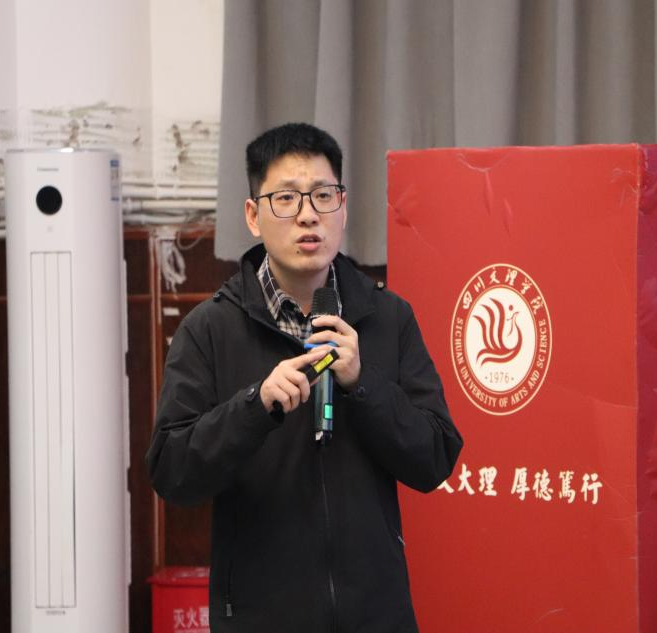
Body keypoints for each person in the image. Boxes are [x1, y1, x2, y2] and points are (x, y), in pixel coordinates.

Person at [146, 122, 462, 633]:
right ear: (253, 216)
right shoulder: (210, 329)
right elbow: (172, 472)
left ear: (343, 207)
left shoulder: (388, 318)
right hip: (262, 618)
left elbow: (435, 457)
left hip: (375, 618)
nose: (308, 214)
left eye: (322, 195)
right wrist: (254, 406)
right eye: (286, 198)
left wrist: (362, 383)